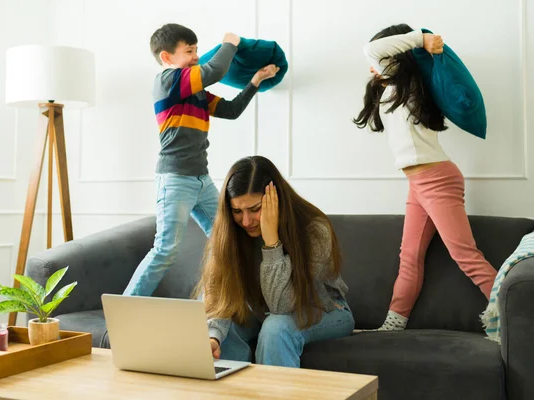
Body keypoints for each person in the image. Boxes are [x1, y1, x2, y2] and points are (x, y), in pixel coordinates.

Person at [354, 23, 497, 330]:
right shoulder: (396, 87)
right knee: (410, 256)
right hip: (418, 183)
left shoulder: (415, 85)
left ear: (398, 53)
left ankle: (510, 318)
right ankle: (394, 324)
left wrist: (422, 39)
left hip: (437, 178)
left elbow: (372, 50)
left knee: (466, 256)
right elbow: (374, 56)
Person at [123, 24, 279, 296]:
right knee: (165, 250)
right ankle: (123, 310)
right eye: (189, 51)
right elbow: (215, 70)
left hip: (200, 179)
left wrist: (255, 81)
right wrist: (230, 42)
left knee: (226, 239)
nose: (196, 56)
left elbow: (231, 110)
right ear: (167, 58)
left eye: (197, 50)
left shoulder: (195, 92)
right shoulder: (169, 81)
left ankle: (219, 304)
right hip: (175, 179)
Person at [194, 155, 354, 367]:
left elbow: (282, 306)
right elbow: (220, 297)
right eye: (237, 211)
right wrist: (213, 335)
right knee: (216, 332)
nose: (246, 221)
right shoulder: (230, 232)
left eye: (255, 209)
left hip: (327, 309)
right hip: (263, 312)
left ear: (275, 199)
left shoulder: (314, 230)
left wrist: (271, 242)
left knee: (276, 328)